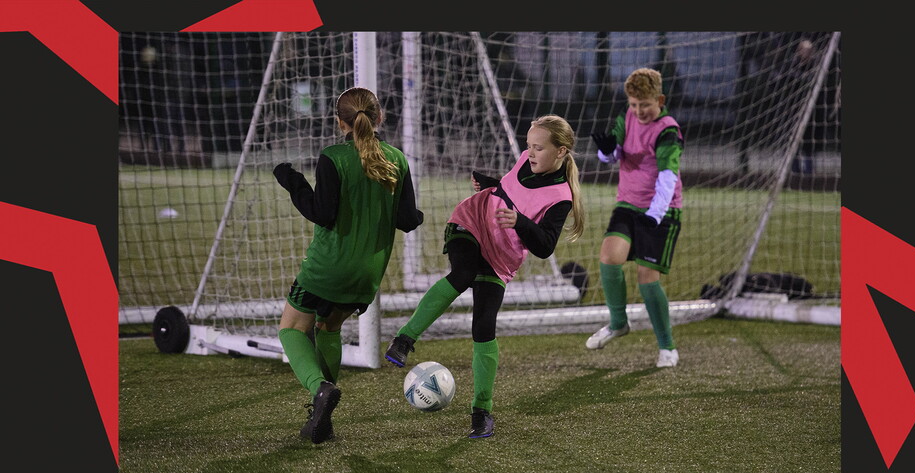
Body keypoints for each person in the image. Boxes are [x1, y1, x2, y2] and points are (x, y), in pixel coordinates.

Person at [383, 114, 585, 438]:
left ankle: (482, 412)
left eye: (539, 148)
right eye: (529, 145)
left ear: (561, 152)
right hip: (471, 220)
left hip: (501, 255)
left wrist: (519, 222)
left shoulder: (561, 196)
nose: (531, 153)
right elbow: (509, 191)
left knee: (484, 325)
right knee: (462, 273)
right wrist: (491, 184)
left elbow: (545, 246)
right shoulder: (525, 161)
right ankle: (404, 340)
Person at [272, 87, 423, 444]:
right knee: (329, 327)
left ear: (339, 122)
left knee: (291, 330)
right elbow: (407, 220)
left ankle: (320, 388)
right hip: (366, 275)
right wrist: (416, 213)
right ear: (379, 117)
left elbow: (321, 214)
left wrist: (292, 181)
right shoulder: (397, 160)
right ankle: (321, 414)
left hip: (328, 266)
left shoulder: (333, 157)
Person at [587, 68, 683, 368]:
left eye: (645, 105)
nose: (639, 111)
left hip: (661, 210)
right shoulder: (626, 118)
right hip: (628, 204)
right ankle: (618, 323)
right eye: (633, 104)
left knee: (647, 279)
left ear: (660, 99)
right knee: (608, 257)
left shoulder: (668, 130)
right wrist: (606, 152)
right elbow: (615, 152)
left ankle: (667, 347)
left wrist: (655, 215)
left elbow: (668, 176)